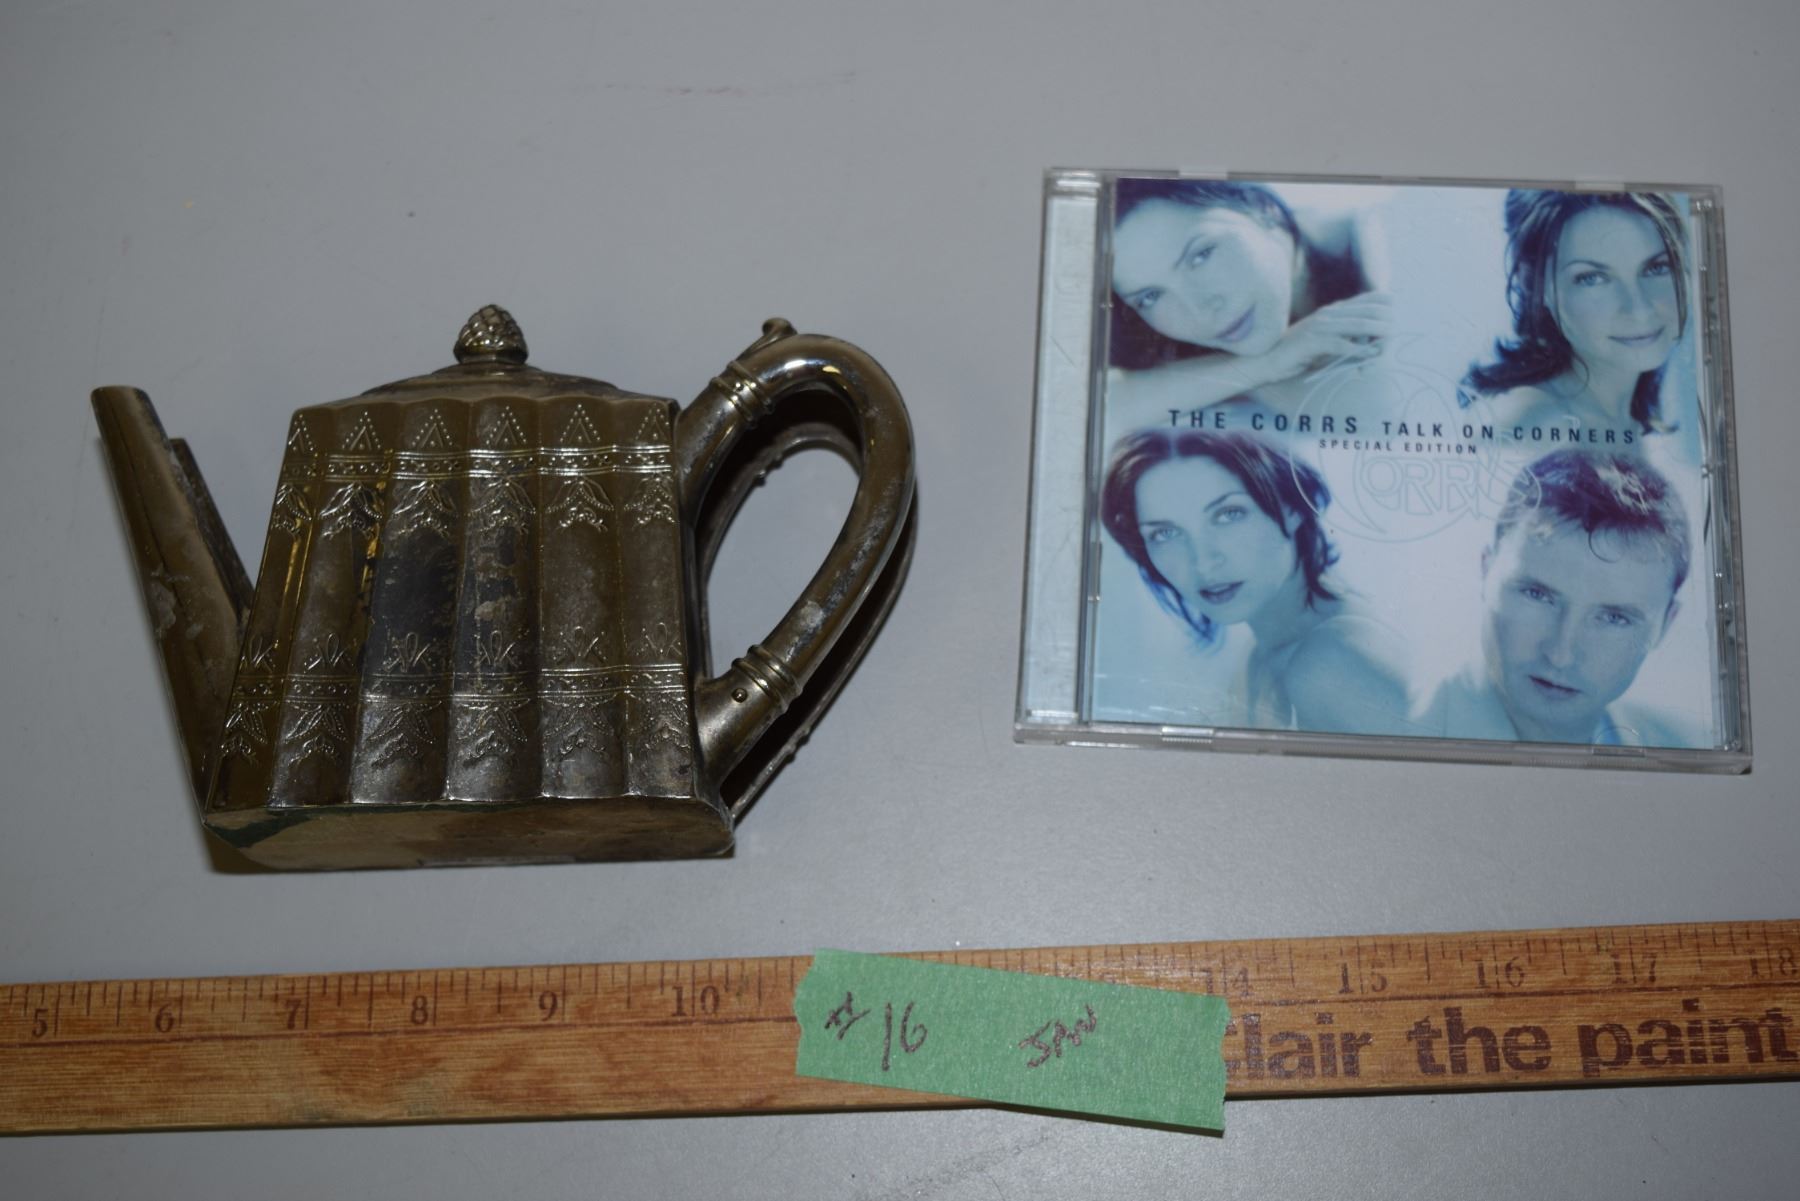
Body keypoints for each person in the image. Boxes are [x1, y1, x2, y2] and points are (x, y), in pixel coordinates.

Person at [1099, 429, 1410, 735]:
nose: (1203, 562)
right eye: (1164, 533)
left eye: (1228, 514)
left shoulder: (1332, 664)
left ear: (1292, 506)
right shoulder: (1264, 650)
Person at [1417, 449, 1697, 746]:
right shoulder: (1408, 724)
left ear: (1666, 625)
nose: (1560, 655)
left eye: (1615, 618)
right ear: (1486, 571)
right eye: (1536, 595)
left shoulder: (1684, 747)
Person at [1106, 178, 1392, 424]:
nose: (1200, 311)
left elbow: (1383, 410)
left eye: (1201, 256)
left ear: (1262, 209)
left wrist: (1266, 382)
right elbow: (1102, 404)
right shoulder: (1161, 342)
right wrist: (1264, 366)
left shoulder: (1383, 240)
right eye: (1150, 296)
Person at [1461, 190, 1690, 441]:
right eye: (1592, 278)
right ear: (1538, 287)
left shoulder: (1635, 426)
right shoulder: (1527, 424)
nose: (1640, 308)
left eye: (1656, 268)